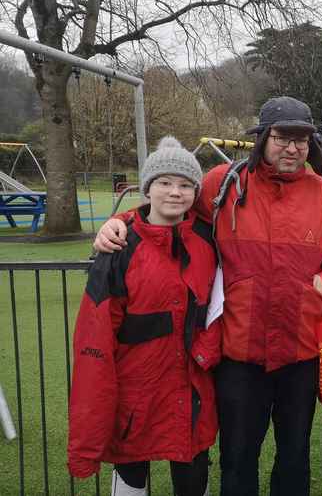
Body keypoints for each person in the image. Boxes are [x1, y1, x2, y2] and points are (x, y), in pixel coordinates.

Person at [94, 96, 322, 496]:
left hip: (301, 353)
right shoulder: (223, 183)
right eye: (282, 138)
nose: (292, 148)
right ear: (262, 139)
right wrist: (117, 224)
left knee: (295, 455)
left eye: (301, 140)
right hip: (238, 356)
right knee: (238, 458)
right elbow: (170, 209)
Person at [68, 136, 221, 496]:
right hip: (136, 390)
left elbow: (222, 307)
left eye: (185, 185)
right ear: (148, 188)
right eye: (164, 182)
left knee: (193, 475)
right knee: (131, 476)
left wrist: (206, 350)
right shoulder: (120, 247)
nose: (175, 192)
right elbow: (96, 335)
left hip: (191, 388)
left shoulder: (207, 241)